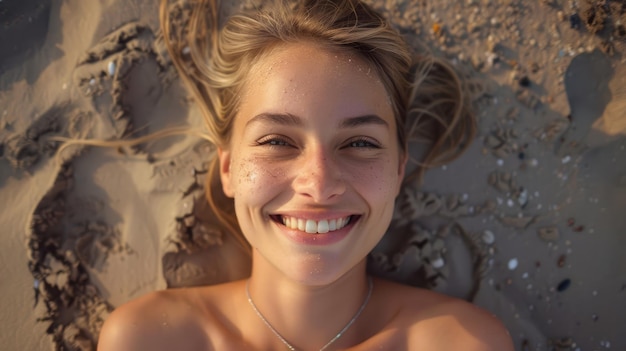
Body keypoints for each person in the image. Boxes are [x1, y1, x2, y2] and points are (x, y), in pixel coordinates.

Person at [97, 0, 515, 350]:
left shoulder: (463, 343)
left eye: (360, 143)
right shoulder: (148, 339)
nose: (318, 183)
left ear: (399, 167)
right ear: (228, 167)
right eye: (278, 141)